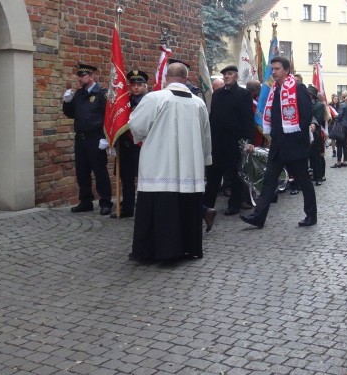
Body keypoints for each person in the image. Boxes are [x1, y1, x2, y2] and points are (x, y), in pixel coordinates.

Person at [128, 62, 212, 263]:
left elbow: (136, 126)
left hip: (159, 165)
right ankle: (187, 248)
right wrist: (206, 159)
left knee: (160, 209)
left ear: (166, 77)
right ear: (186, 78)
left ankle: (153, 251)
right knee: (185, 208)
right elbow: (206, 135)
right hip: (189, 168)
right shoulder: (198, 103)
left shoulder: (154, 98)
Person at [240, 56, 317, 228]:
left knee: (303, 181)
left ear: (286, 70)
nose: (273, 72)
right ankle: (258, 217)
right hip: (278, 145)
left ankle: (311, 215)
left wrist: (296, 139)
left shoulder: (298, 88)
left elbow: (305, 115)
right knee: (269, 181)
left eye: (277, 69)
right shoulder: (274, 89)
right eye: (272, 69)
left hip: (295, 145)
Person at [62, 63, 113, 215]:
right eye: (79, 76)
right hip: (81, 138)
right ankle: (85, 201)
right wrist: (67, 102)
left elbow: (108, 117)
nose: (80, 79)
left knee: (99, 171)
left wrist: (105, 138)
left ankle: (105, 201)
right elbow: (71, 114)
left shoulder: (101, 94)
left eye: (83, 76)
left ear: (92, 77)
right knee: (82, 171)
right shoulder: (79, 94)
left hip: (95, 138)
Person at [203, 65, 255, 216]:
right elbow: (213, 117)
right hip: (217, 142)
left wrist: (249, 140)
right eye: (225, 74)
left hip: (234, 142)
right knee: (213, 176)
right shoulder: (217, 94)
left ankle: (234, 204)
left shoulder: (243, 94)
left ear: (236, 76)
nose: (226, 76)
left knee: (234, 175)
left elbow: (248, 119)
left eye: (230, 74)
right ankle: (207, 206)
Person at [115, 70, 148, 219]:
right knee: (126, 178)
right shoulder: (124, 102)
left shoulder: (148, 101)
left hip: (142, 145)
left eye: (139, 85)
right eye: (133, 84)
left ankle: (144, 207)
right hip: (125, 145)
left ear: (145, 86)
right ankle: (127, 207)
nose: (136, 87)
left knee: (143, 178)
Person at [307, 86, 326, 186]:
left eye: (309, 94)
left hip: (315, 133)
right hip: (306, 133)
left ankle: (318, 177)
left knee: (316, 156)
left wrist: (312, 124)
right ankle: (312, 175)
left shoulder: (320, 106)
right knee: (308, 157)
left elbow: (319, 119)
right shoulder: (304, 104)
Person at [331, 94, 347, 168]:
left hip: (342, 126)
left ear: (342, 97)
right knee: (345, 144)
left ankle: (338, 162)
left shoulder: (342, 105)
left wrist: (337, 119)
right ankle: (345, 161)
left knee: (339, 144)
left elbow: (340, 116)